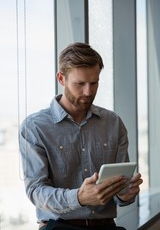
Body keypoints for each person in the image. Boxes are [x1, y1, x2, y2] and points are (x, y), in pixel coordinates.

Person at [19, 42, 143, 230]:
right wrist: (79, 198)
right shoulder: (35, 127)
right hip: (59, 227)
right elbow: (35, 190)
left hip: (107, 226)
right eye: (80, 84)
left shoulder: (113, 123)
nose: (88, 91)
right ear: (61, 79)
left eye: (94, 83)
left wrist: (124, 194)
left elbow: (120, 190)